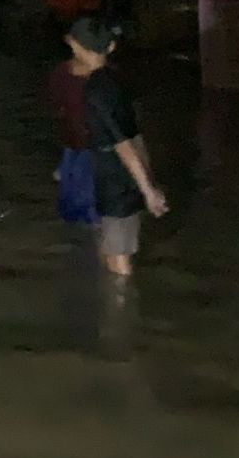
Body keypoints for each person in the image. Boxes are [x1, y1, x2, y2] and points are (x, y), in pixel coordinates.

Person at [57, 15, 167, 277]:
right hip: (122, 179)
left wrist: (148, 190)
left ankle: (122, 311)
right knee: (112, 250)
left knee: (119, 262)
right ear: (111, 47)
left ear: (74, 45)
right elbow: (134, 134)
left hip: (117, 183)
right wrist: (148, 181)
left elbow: (122, 143)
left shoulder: (96, 90)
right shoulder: (115, 81)